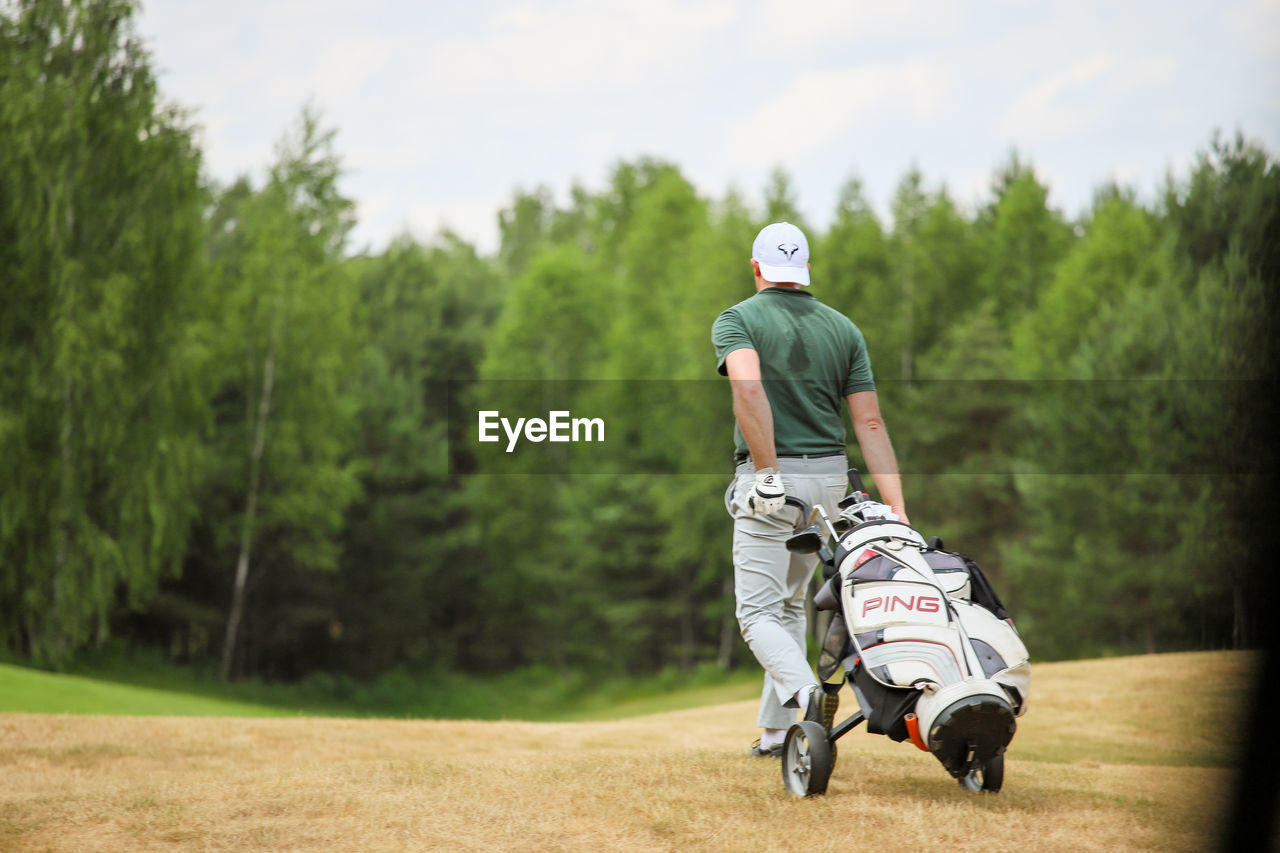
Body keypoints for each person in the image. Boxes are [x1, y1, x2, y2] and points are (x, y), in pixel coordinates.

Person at [712, 221, 908, 757]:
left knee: (756, 614)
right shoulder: (843, 329)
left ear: (757, 269)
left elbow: (748, 389)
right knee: (790, 604)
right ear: (805, 272)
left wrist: (768, 471)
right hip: (831, 484)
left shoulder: (737, 321)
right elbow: (870, 425)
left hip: (772, 484)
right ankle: (776, 735)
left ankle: (806, 694)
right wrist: (896, 508)